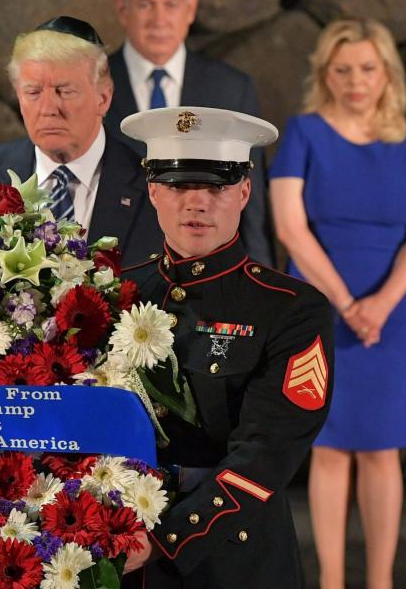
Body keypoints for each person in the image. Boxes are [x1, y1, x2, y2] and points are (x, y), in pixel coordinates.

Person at [118, 107, 334, 588]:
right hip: (119, 542)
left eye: (215, 187)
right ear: (152, 191)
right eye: (177, 186)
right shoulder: (114, 291)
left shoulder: (292, 308)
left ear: (244, 192)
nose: (197, 203)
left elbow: (268, 449)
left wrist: (165, 539)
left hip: (232, 555)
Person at [269, 19, 406, 589]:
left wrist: (381, 305)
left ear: (386, 73)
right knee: (332, 448)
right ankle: (333, 582)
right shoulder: (303, 133)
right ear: (325, 74)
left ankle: (381, 582)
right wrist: (345, 302)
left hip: (395, 313)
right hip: (320, 305)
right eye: (342, 69)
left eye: (367, 68)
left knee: (383, 450)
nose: (355, 80)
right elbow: (290, 228)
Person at [0, 16, 150, 262]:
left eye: (64, 91)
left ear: (103, 99)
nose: (48, 108)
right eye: (33, 92)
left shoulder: (154, 189)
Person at [107, 0, 274, 266]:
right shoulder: (91, 85)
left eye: (171, 5)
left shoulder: (232, 87)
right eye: (146, 5)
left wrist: (259, 278)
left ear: (191, 9)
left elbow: (252, 206)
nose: (159, 19)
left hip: (207, 273)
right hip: (117, 270)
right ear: (123, 10)